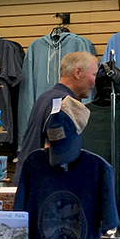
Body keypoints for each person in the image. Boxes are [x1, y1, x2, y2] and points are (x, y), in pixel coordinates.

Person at [12, 51, 98, 186]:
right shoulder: (66, 104)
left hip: (29, 179)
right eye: (93, 74)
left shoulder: (46, 97)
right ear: (78, 72)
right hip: (44, 184)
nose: (95, 81)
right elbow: (54, 151)